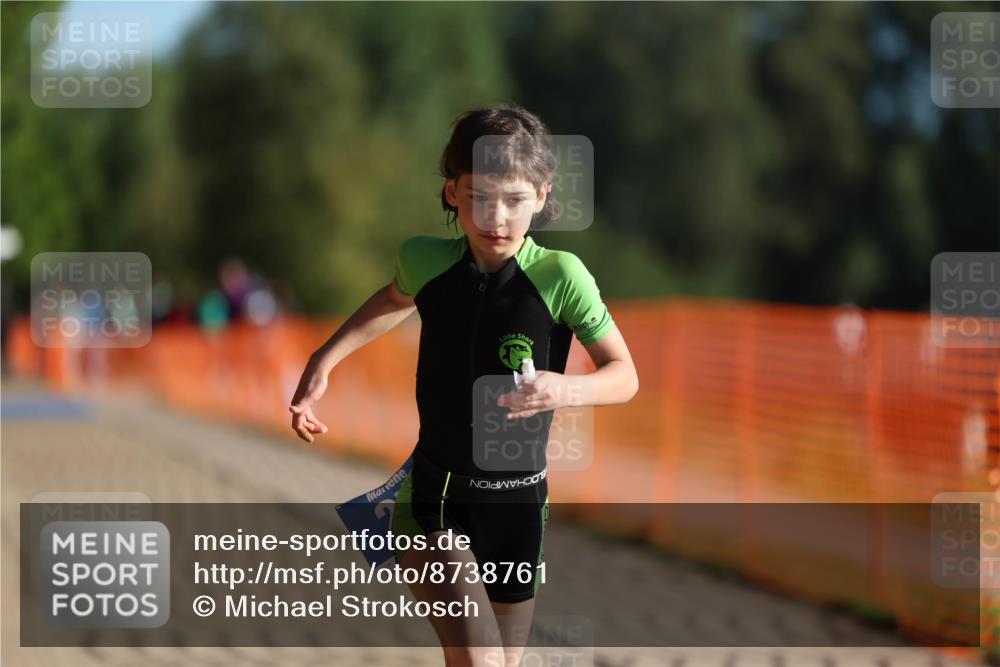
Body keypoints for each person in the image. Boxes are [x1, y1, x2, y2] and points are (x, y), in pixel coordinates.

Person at [289, 104, 638, 667]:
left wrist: (563, 389)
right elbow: (392, 301)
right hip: (436, 497)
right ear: (452, 192)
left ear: (543, 197)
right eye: (478, 195)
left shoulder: (560, 276)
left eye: (514, 199)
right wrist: (323, 362)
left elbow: (625, 376)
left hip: (521, 503)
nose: (495, 215)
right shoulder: (425, 261)